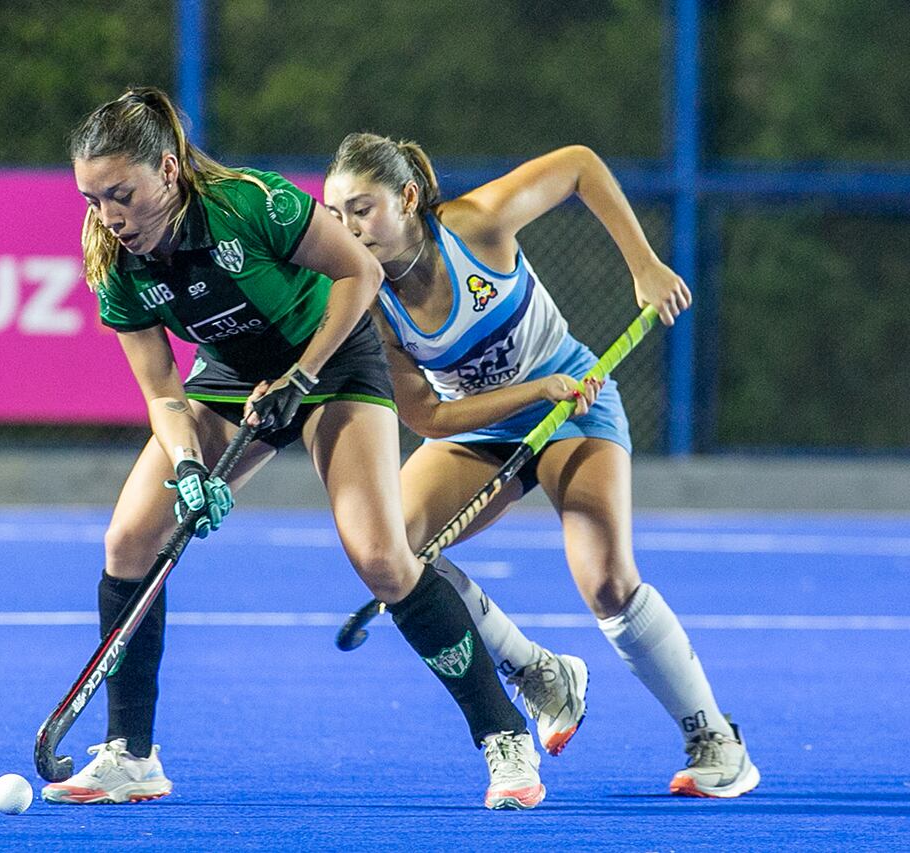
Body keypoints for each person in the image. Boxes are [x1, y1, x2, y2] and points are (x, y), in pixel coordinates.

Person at [40, 88, 554, 810]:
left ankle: (503, 734)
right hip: (230, 373)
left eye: (119, 194)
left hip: (333, 358)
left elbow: (360, 274)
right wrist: (190, 466)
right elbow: (162, 393)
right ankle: (130, 754)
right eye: (92, 199)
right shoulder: (115, 261)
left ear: (167, 169)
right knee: (128, 540)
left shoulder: (253, 204)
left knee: (380, 555)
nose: (107, 216)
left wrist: (301, 375)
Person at [322, 133, 760, 799]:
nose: (349, 228)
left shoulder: (475, 223)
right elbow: (429, 419)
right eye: (336, 215)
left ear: (407, 197)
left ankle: (715, 738)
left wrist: (643, 266)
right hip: (482, 423)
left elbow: (582, 165)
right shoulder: (369, 299)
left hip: (576, 399)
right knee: (397, 546)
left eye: (362, 209)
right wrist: (529, 393)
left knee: (607, 580)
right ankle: (536, 671)